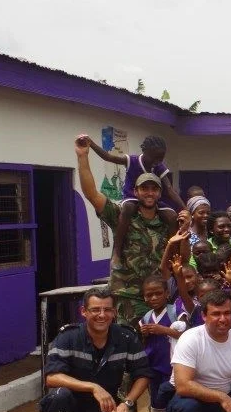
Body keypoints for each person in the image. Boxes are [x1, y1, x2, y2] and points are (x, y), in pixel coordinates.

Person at [39, 288, 149, 412]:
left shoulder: (126, 337)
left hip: (105, 407)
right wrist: (92, 387)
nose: (102, 315)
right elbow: (52, 377)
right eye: (95, 310)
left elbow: (143, 375)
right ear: (84, 312)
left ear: (114, 312)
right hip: (71, 405)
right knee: (58, 397)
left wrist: (127, 403)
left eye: (107, 310)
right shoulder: (68, 337)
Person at [75, 135, 183, 325]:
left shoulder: (167, 220)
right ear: (135, 191)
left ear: (159, 193)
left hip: (159, 297)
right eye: (144, 188)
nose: (149, 193)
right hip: (127, 297)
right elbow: (91, 194)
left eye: (154, 189)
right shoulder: (121, 215)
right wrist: (83, 156)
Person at [82, 134, 184, 256]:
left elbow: (169, 189)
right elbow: (108, 157)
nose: (157, 162)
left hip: (152, 200)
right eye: (155, 158)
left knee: (172, 216)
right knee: (128, 209)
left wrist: (185, 209)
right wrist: (91, 143)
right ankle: (117, 250)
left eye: (160, 159)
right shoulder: (132, 160)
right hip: (131, 196)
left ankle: (173, 255)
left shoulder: (158, 166)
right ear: (145, 151)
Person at [139, 274, 187, 412]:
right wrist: (144, 334)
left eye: (157, 293)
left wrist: (163, 330)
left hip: (174, 369)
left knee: (180, 405)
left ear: (167, 293)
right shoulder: (146, 317)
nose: (153, 298)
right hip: (155, 368)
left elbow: (186, 336)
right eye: (149, 295)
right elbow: (146, 344)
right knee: (161, 408)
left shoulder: (175, 311)